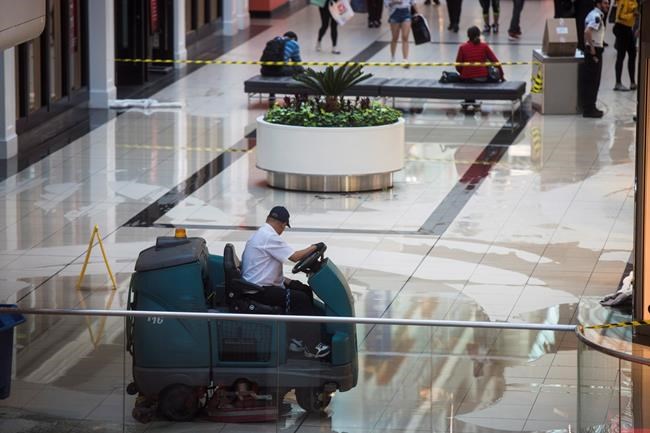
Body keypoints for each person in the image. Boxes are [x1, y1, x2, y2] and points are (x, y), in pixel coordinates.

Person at [241, 206, 330, 358]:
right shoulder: (269, 236)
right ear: (282, 224)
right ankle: (311, 346)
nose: (283, 230)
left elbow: (266, 269)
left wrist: (290, 282)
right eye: (284, 227)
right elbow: (295, 257)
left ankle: (297, 339)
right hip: (259, 291)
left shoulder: (262, 234)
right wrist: (316, 246)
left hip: (261, 284)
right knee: (300, 299)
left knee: (304, 290)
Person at [581, 0, 610, 118]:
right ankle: (589, 109)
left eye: (608, 3)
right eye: (604, 3)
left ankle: (590, 107)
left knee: (591, 80)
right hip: (594, 51)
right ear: (598, 4)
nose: (607, 6)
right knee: (593, 80)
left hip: (591, 50)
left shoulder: (592, 14)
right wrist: (592, 49)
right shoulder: (597, 16)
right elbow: (587, 31)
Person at [612, 0, 638, 91]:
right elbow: (619, 16)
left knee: (633, 54)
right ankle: (618, 83)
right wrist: (633, 14)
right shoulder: (623, 1)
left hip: (628, 29)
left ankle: (632, 82)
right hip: (621, 27)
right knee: (621, 55)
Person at [384, 0, 418, 65]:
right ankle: (392, 57)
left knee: (405, 37)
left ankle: (405, 59)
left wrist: (418, 13)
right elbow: (386, 4)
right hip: (394, 13)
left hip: (406, 12)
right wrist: (395, 2)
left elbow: (413, 2)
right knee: (395, 37)